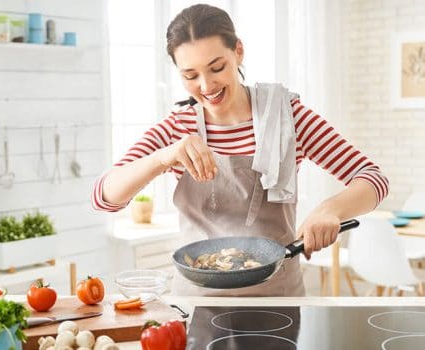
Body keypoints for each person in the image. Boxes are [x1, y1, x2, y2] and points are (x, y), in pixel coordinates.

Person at [92, 4, 389, 297]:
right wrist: (163, 156)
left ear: (238, 52)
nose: (206, 85)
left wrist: (330, 210)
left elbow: (374, 179)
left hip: (277, 300)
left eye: (216, 67)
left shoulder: (287, 117)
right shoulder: (177, 128)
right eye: (190, 75)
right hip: (196, 302)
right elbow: (104, 197)